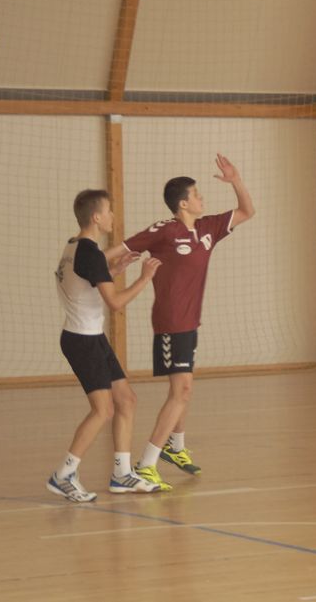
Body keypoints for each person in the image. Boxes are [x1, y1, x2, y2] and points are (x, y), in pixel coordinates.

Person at [107, 154, 255, 490]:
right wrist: (89, 263)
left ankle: (175, 447)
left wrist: (235, 180)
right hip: (170, 320)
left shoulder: (207, 229)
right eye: (197, 195)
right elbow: (118, 250)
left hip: (190, 321)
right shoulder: (164, 230)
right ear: (183, 203)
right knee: (182, 390)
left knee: (184, 389)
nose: (202, 198)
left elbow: (247, 211)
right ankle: (147, 464)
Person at [48, 189, 161, 502]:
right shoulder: (90, 253)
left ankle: (121, 474)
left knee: (127, 400)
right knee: (103, 410)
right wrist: (144, 278)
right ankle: (63, 475)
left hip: (91, 338)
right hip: (82, 341)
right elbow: (115, 303)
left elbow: (85, 281)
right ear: (97, 217)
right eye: (109, 211)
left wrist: (115, 271)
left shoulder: (74, 247)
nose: (113, 216)